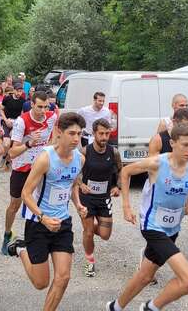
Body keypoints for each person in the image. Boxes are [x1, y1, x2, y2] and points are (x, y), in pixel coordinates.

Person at [106, 121, 188, 311]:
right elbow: (126, 172)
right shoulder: (157, 163)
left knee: (145, 276)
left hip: (172, 229)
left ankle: (115, 307)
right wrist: (126, 207)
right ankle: (151, 307)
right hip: (152, 226)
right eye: (185, 145)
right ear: (173, 143)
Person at [6, 112, 88, 311]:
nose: (76, 138)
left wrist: (78, 205)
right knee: (41, 283)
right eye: (72, 133)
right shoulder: (45, 158)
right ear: (59, 132)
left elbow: (72, 185)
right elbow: (26, 194)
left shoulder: (80, 159)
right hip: (39, 224)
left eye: (79, 134)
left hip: (62, 223)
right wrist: (43, 218)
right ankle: (21, 249)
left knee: (63, 277)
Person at [2, 91, 58, 255]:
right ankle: (7, 234)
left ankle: (40, 237)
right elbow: (12, 152)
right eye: (39, 107)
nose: (43, 110)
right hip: (22, 167)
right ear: (32, 104)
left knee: (42, 202)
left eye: (46, 107)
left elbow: (53, 137)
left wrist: (50, 152)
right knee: (15, 204)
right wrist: (29, 143)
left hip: (41, 167)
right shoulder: (22, 121)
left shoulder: (52, 117)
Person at [79, 118, 122, 277]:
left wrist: (117, 186)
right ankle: (89, 261)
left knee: (105, 235)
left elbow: (120, 170)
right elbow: (74, 170)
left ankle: (89, 227)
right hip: (86, 197)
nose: (104, 137)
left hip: (104, 198)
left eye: (107, 134)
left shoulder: (113, 152)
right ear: (94, 133)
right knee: (89, 232)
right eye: (101, 133)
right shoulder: (85, 151)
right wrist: (80, 184)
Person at [0, 86, 24, 155]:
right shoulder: (7, 98)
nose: (19, 93)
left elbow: (22, 114)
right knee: (6, 144)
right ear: (14, 90)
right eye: (18, 91)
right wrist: (6, 120)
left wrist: (16, 123)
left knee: (14, 141)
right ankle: (3, 156)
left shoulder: (23, 100)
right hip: (6, 121)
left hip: (16, 123)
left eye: (21, 91)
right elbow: (1, 110)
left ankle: (8, 157)